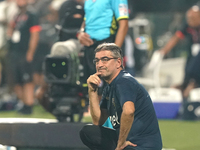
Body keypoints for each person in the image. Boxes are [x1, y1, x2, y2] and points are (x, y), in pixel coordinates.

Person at [79, 43, 162, 150]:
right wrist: (92, 91)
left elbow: (128, 111)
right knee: (88, 132)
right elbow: (98, 122)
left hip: (141, 146)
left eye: (105, 59)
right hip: (128, 143)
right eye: (97, 61)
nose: (99, 65)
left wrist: (121, 143)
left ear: (118, 62)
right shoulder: (109, 87)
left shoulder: (123, 81)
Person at [77, 0, 129, 85]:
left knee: (107, 89)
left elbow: (124, 25)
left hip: (107, 43)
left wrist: (114, 54)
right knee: (89, 87)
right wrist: (81, 32)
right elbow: (87, 18)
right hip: (89, 47)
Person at [7, 0, 41, 114]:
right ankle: (24, 103)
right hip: (14, 51)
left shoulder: (32, 15)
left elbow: (35, 34)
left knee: (27, 79)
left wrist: (30, 52)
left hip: (25, 52)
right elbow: (10, 32)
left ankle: (29, 104)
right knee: (16, 80)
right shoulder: (16, 16)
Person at [159, 5, 200, 98]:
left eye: (193, 19)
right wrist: (164, 51)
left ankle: (193, 83)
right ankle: (185, 85)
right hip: (194, 51)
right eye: (188, 19)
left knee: (195, 64)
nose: (190, 21)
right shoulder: (188, 25)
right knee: (189, 63)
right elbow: (177, 37)